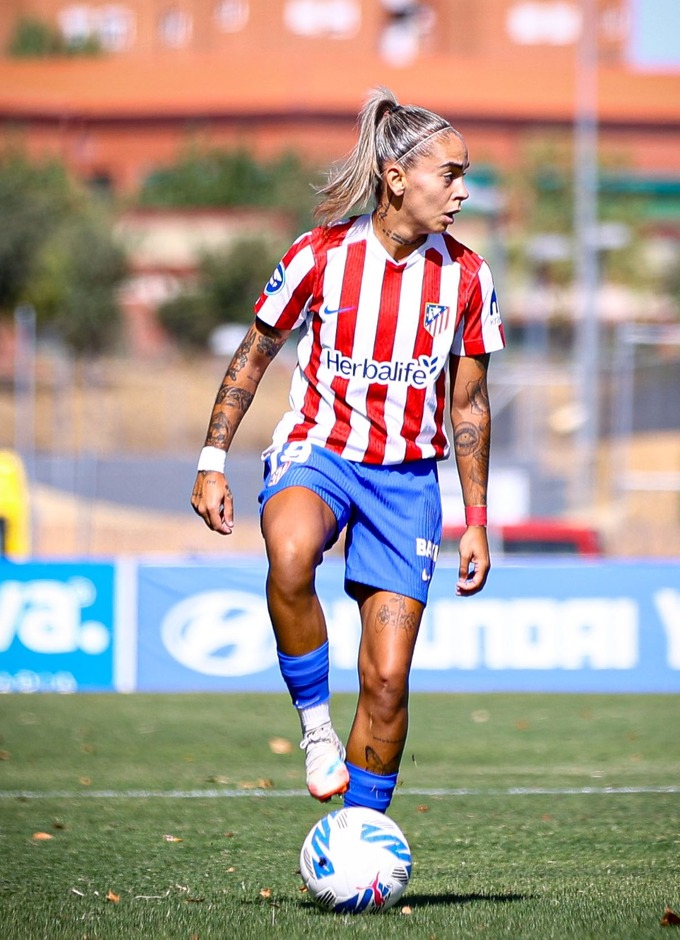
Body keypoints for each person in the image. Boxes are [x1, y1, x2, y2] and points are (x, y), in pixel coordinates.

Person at [190, 86, 505, 813]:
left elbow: (469, 404)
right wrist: (211, 461)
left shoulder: (468, 277)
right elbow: (254, 354)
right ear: (397, 178)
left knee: (387, 682)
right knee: (291, 552)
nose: (463, 191)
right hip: (319, 453)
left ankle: (361, 835)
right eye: (450, 174)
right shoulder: (319, 254)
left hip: (407, 482)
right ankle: (315, 730)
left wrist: (477, 519)